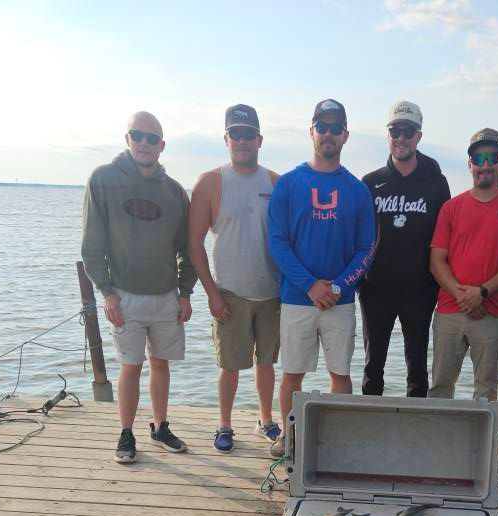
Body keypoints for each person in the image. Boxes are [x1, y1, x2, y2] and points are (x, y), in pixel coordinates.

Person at [81, 111, 196, 463]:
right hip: (124, 296)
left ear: (162, 145)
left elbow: (187, 248)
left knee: (161, 364)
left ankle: (160, 426)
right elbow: (91, 244)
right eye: (138, 136)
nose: (145, 143)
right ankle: (126, 433)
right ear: (127, 138)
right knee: (130, 366)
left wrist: (185, 291)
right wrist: (106, 290)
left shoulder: (175, 191)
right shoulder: (102, 180)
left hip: (165, 298)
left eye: (152, 138)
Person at [267, 98, 376, 458]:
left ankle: (338, 440)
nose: (328, 134)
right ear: (311, 131)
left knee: (340, 374)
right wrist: (310, 285)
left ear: (345, 135)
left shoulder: (358, 190)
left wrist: (337, 286)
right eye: (322, 126)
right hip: (297, 298)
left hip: (340, 302)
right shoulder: (288, 184)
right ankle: (288, 434)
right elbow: (278, 243)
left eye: (335, 128)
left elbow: (366, 249)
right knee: (292, 374)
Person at [188, 104, 282, 453]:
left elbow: (288, 239)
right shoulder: (211, 182)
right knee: (229, 365)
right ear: (226, 138)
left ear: (260, 139)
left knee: (267, 362)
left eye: (249, 134)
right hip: (229, 293)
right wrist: (211, 292)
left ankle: (266, 420)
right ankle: (224, 424)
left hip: (271, 293)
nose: (243, 141)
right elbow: (193, 243)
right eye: (236, 134)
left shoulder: (276, 182)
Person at [428, 128, 498, 402]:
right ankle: (439, 444)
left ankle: (479, 446)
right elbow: (436, 260)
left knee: (485, 392)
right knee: (439, 387)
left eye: (492, 157)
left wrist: (482, 293)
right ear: (470, 164)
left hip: (492, 313)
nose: (485, 164)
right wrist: (463, 296)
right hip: (449, 311)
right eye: (479, 158)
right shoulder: (451, 207)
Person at [359, 101, 450, 397]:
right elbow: (357, 238)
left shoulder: (437, 183)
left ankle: (416, 432)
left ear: (419, 136)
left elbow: (446, 238)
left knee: (417, 370)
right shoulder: (370, 183)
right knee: (373, 368)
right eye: (395, 130)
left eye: (408, 131)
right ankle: (370, 433)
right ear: (387, 135)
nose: (401, 137)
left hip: (420, 291)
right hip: (375, 290)